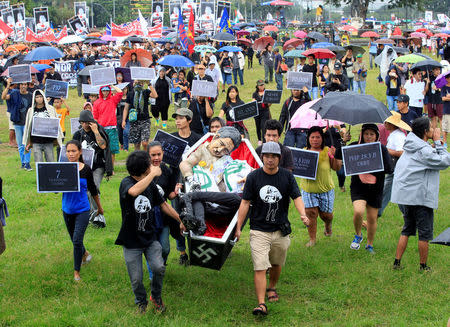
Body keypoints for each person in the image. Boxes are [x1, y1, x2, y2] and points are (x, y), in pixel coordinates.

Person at [235, 141, 309, 316]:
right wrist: (238, 228)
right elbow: (245, 203)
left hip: (280, 229)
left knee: (276, 263)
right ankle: (261, 304)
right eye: (267, 156)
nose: (270, 160)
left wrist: (303, 214)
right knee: (260, 267)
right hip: (259, 229)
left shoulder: (287, 177)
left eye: (273, 156)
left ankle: (272, 287)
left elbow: (296, 196)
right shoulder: (253, 177)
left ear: (279, 158)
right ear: (262, 157)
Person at [116, 150, 184, 313]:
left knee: (159, 267)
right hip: (131, 241)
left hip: (149, 237)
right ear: (143, 168)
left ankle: (156, 297)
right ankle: (141, 301)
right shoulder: (126, 183)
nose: (152, 164)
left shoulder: (151, 185)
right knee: (137, 279)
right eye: (149, 163)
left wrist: (180, 220)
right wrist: (152, 175)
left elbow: (164, 205)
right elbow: (133, 192)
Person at [392, 117, 449, 271]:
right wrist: (438, 143)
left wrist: (432, 147)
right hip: (420, 198)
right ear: (425, 132)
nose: (433, 129)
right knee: (424, 234)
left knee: (407, 230)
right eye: (431, 127)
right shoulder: (423, 150)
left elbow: (425, 155)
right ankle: (423, 266)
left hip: (406, 197)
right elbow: (445, 161)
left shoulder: (412, 145)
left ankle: (397, 263)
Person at [62, 140, 103, 281]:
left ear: (80, 152)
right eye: (68, 151)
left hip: (83, 209)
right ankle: (85, 253)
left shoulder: (86, 169)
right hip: (67, 209)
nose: (71, 154)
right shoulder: (61, 168)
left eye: (74, 151)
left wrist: (99, 207)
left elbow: (93, 190)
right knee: (74, 239)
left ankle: (76, 272)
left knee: (77, 240)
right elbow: (55, 188)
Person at [349, 124, 393, 253]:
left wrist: (375, 165)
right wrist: (344, 142)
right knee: (358, 211)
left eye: (372, 134)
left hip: (376, 188)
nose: (368, 137)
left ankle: (370, 244)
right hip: (358, 187)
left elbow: (390, 168)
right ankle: (358, 235)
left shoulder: (382, 149)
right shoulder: (353, 146)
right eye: (366, 134)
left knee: (372, 218)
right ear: (362, 134)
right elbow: (343, 160)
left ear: (377, 136)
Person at [300, 127, 342, 247]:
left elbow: (337, 168)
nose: (315, 140)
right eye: (312, 137)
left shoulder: (327, 150)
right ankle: (312, 239)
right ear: (308, 138)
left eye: (318, 137)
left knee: (326, 215)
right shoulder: (304, 151)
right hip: (308, 190)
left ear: (322, 138)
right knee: (311, 213)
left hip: (326, 189)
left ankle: (328, 225)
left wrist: (334, 156)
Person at [73, 110, 113, 222]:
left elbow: (104, 146)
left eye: (88, 122)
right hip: (84, 166)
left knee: (93, 187)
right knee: (85, 191)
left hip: (97, 165)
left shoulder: (99, 130)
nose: (85, 124)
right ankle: (90, 213)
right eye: (83, 122)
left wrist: (96, 131)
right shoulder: (78, 134)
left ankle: (97, 215)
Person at [378, 111, 411, 218]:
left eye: (387, 122)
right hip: (394, 169)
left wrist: (386, 150)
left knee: (389, 192)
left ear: (392, 124)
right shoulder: (393, 135)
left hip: (397, 169)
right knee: (395, 194)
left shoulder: (398, 136)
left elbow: (403, 153)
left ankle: (375, 215)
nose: (385, 124)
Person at [23, 89, 63, 163]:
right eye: (37, 97)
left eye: (41, 96)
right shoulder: (31, 110)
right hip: (36, 140)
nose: (39, 99)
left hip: (48, 140)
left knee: (50, 161)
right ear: (34, 99)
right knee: (39, 163)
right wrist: (28, 141)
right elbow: (28, 127)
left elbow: (55, 123)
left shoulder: (50, 109)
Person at [2, 80, 32, 170]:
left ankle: (27, 163)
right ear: (19, 85)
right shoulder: (14, 94)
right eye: (22, 84)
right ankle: (23, 163)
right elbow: (3, 97)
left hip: (27, 123)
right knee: (20, 145)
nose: (23, 86)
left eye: (25, 84)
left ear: (27, 85)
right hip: (17, 122)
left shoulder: (30, 95)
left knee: (27, 144)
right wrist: (8, 85)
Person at [93, 85, 123, 167]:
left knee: (112, 150)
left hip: (112, 128)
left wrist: (112, 86)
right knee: (102, 149)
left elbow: (120, 92)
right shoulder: (96, 103)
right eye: (103, 91)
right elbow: (95, 117)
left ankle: (111, 167)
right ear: (101, 91)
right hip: (102, 129)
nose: (105, 92)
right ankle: (104, 166)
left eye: (107, 90)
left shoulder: (113, 100)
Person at [123, 81, 157, 150]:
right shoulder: (130, 94)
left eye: (140, 82)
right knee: (137, 143)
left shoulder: (145, 92)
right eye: (136, 82)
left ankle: (145, 157)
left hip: (145, 120)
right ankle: (138, 158)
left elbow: (155, 95)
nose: (138, 83)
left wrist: (149, 84)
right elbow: (126, 108)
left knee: (145, 143)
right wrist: (124, 120)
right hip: (134, 121)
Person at [252, 80, 271, 145]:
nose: (262, 86)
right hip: (257, 112)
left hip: (265, 112)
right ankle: (259, 139)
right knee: (258, 126)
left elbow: (269, 104)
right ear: (257, 86)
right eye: (260, 85)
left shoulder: (267, 93)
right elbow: (253, 101)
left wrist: (268, 102)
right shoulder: (255, 94)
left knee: (264, 126)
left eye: (262, 85)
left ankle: (264, 140)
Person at [441, 73, 450, 147]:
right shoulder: (444, 88)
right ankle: (445, 142)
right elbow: (443, 98)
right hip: (446, 110)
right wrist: (447, 98)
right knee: (445, 127)